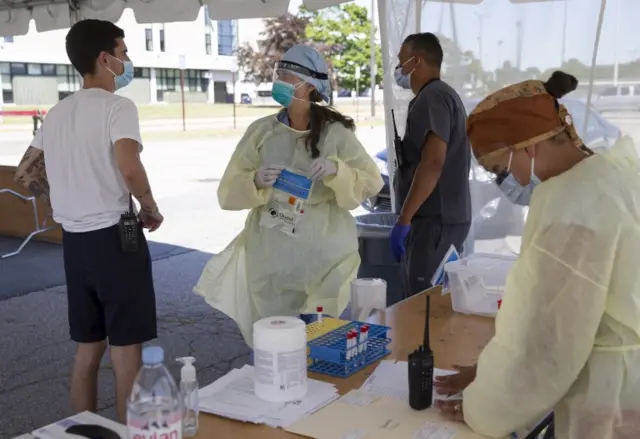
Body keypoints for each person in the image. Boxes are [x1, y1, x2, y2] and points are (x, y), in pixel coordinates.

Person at [433, 71, 640, 439]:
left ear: (528, 146)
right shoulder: (615, 175)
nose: (507, 181)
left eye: (501, 168)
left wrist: (484, 406)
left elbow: (548, 344)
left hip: (611, 394)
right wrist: (487, 370)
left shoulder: (573, 208)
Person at [13, 19, 163, 423]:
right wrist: (149, 207)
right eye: (123, 52)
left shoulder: (58, 112)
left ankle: (81, 432)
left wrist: (64, 194)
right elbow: (129, 168)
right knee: (126, 348)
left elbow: (25, 174)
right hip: (115, 240)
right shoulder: (118, 107)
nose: (127, 60)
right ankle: (130, 433)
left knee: (87, 346)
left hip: (75, 243)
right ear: (104, 58)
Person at [194, 44, 383, 346]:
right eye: (278, 74)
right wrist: (254, 180)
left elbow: (372, 183)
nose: (278, 81)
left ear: (309, 86)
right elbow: (228, 191)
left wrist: (338, 172)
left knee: (317, 342)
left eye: (286, 76)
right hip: (271, 257)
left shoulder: (335, 134)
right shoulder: (261, 132)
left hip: (323, 259)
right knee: (273, 345)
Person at [389, 32, 471, 298]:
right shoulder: (444, 96)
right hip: (442, 220)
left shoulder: (432, 98)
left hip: (436, 221)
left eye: (402, 62)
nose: (399, 70)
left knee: (422, 305)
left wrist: (404, 218)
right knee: (436, 302)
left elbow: (433, 162)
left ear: (418, 61)